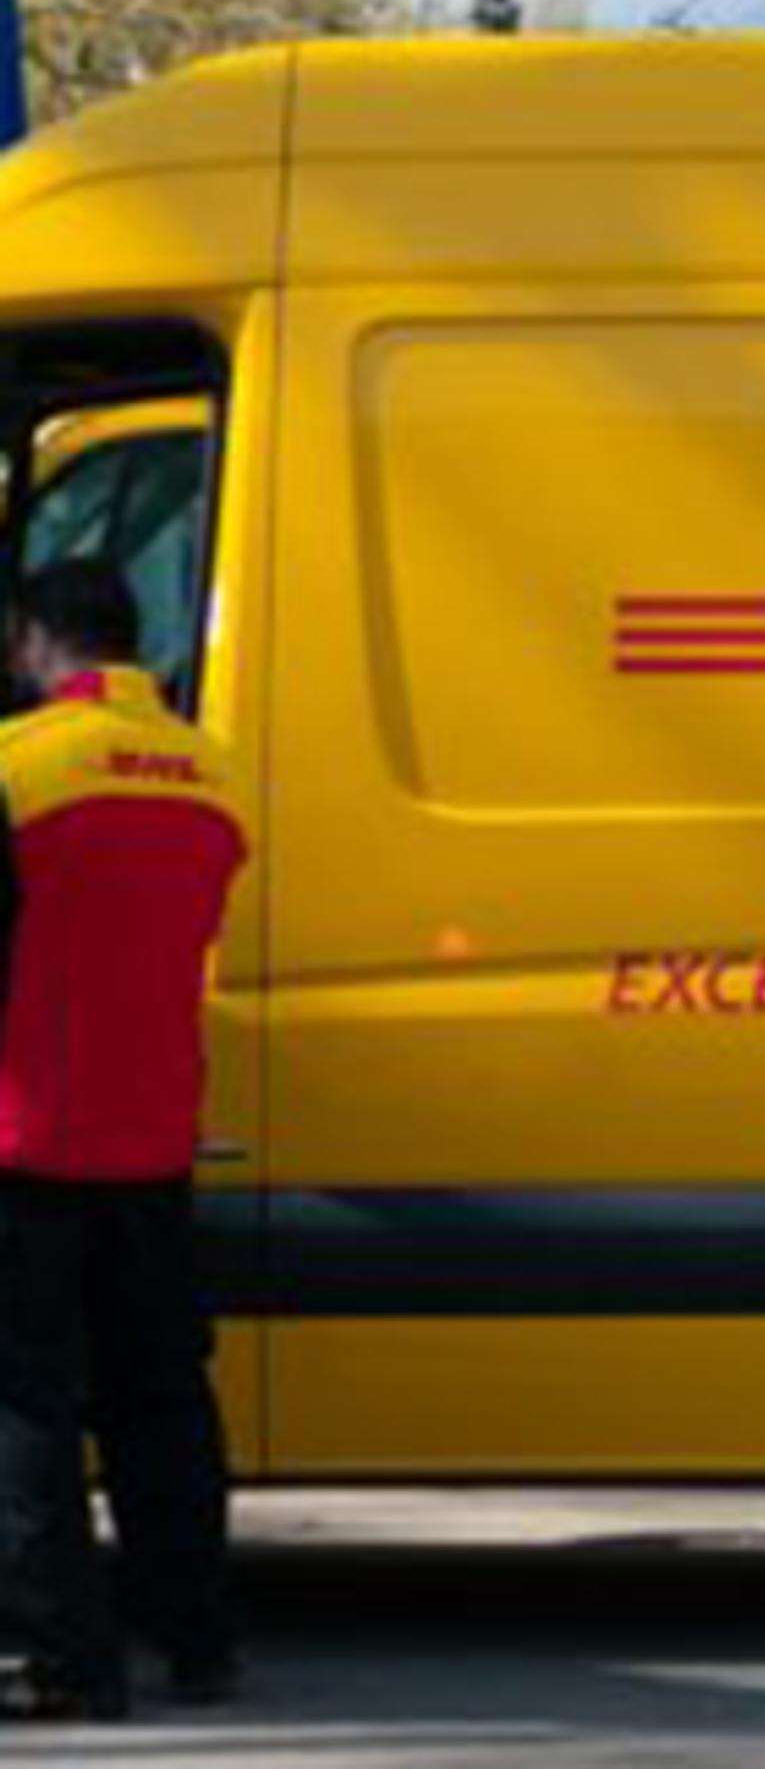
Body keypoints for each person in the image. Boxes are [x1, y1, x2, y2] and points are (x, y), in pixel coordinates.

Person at [0, 563, 249, 1719]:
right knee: (162, 1396)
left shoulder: (19, 766)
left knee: (28, 1404)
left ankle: (64, 1660)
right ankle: (196, 1640)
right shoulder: (215, 773)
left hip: (28, 1133)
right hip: (154, 1133)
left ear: (34, 639)